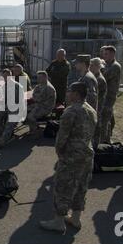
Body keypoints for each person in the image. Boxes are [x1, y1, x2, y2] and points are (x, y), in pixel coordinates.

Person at [40, 82, 97, 233]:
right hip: (87, 155)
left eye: (69, 91)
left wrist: (60, 153)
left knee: (63, 187)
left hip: (71, 157)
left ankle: (59, 222)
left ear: (76, 94)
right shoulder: (91, 109)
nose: (67, 93)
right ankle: (76, 219)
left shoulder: (71, 111)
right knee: (81, 187)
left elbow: (62, 138)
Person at [0, 70, 24, 148]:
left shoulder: (17, 86)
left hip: (17, 107)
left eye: (7, 76)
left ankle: (3, 140)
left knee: (10, 120)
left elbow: (19, 101)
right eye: (4, 76)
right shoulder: (4, 86)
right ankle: (6, 133)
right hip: (7, 107)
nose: (5, 78)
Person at [101, 46, 121, 143]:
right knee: (107, 117)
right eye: (104, 54)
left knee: (105, 119)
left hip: (109, 96)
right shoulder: (106, 64)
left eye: (106, 54)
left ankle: (106, 140)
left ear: (113, 54)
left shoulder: (115, 66)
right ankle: (106, 138)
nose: (104, 56)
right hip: (105, 95)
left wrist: (98, 69)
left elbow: (104, 77)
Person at [90, 57, 107, 146]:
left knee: (96, 127)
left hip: (98, 106)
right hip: (95, 106)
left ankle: (96, 147)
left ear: (97, 66)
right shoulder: (94, 77)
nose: (90, 67)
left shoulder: (99, 79)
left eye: (92, 65)